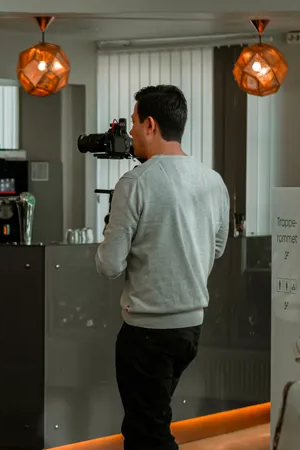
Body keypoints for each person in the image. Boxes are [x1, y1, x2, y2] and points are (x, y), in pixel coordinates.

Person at [95, 85, 230, 450]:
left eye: (134, 122)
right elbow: (217, 249)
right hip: (190, 329)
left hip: (147, 332)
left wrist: (111, 232)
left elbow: (109, 265)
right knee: (153, 422)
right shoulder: (213, 181)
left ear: (151, 124)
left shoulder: (135, 182)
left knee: (147, 434)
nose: (131, 131)